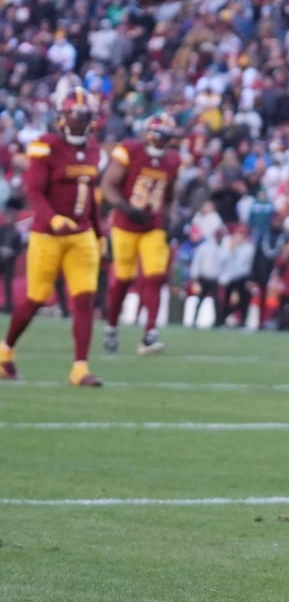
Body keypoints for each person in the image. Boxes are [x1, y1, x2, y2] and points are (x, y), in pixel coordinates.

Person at [1, 86, 106, 387]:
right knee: (35, 298)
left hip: (82, 233)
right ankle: (5, 351)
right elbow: (34, 191)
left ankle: (80, 369)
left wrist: (99, 233)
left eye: (85, 116)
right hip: (48, 234)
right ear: (62, 115)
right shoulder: (46, 146)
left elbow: (91, 198)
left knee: (84, 299)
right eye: (75, 115)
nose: (79, 121)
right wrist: (53, 218)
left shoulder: (95, 149)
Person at [100, 111, 180, 356]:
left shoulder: (173, 160)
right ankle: (112, 326)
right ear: (148, 133)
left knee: (155, 276)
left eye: (166, 136)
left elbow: (170, 196)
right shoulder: (129, 150)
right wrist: (125, 208)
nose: (161, 140)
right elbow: (107, 185)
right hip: (126, 223)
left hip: (152, 225)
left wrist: (169, 221)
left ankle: (149, 334)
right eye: (158, 134)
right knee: (122, 280)